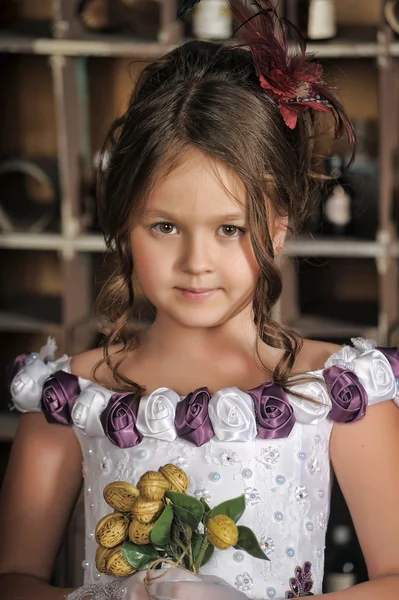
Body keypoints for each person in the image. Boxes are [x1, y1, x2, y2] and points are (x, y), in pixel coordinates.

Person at [1, 1, 399, 599]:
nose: (196, 262)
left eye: (230, 229)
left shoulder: (337, 392)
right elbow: (13, 579)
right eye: (164, 227)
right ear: (123, 219)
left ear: (281, 224)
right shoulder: (70, 400)